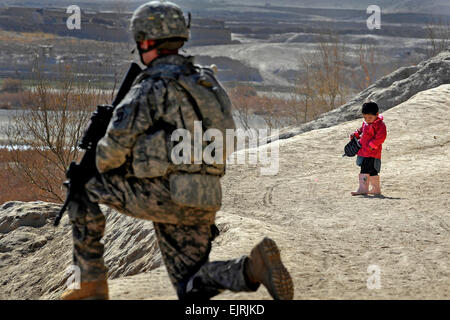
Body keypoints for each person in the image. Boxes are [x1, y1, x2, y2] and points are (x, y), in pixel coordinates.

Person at [60, 1, 293, 300]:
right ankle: (252, 268)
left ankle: (90, 282)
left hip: (165, 195)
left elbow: (111, 153)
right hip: (204, 197)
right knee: (191, 286)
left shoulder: (150, 87)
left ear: (145, 41)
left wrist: (112, 158)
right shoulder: (207, 82)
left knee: (82, 186)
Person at [350, 101, 387, 196]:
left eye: (370, 117)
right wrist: (356, 134)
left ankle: (363, 188)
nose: (367, 120)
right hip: (363, 151)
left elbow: (381, 137)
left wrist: (372, 145)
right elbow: (361, 130)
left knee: (365, 169)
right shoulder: (365, 124)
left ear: (377, 115)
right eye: (365, 117)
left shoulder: (380, 125)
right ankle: (376, 189)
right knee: (372, 170)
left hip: (372, 152)